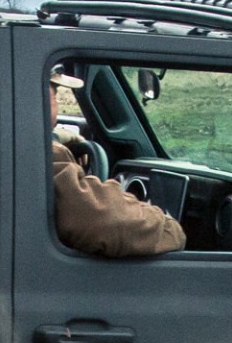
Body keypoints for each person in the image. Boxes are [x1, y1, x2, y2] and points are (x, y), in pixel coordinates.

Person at [46, 68, 185, 257]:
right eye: (54, 95)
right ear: (37, 97)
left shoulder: (20, 145)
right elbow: (102, 220)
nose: (57, 105)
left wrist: (56, 137)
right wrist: (168, 227)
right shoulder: (42, 155)